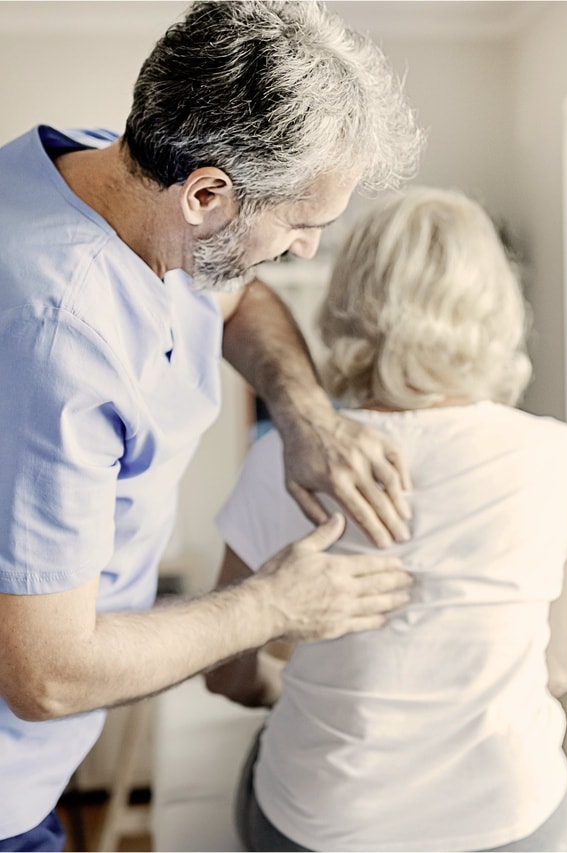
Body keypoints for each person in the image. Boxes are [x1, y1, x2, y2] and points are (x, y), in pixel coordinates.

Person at [0, 2, 423, 849]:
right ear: (207, 194)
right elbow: (45, 675)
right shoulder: (59, 337)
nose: (306, 250)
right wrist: (273, 602)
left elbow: (239, 294)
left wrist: (304, 413)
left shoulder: (113, 168)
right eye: (302, 225)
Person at [206, 186, 567, 851]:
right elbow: (564, 667)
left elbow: (226, 671)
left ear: (347, 303)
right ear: (494, 308)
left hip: (322, 829)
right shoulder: (558, 455)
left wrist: (285, 689)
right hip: (511, 823)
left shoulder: (283, 460)